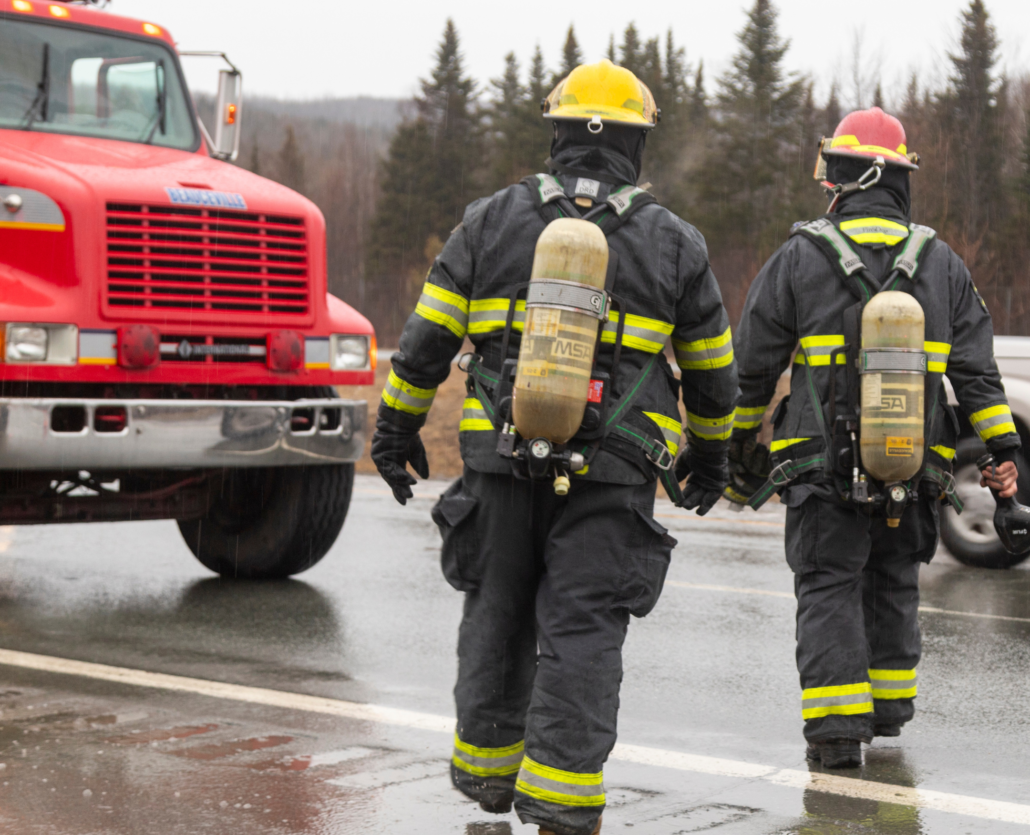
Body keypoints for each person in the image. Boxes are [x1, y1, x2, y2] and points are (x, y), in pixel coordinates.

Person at [371, 59, 738, 835]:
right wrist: (710, 460)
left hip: (497, 463)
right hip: (614, 470)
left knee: (497, 614)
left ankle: (488, 779)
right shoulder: (674, 243)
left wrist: (396, 430)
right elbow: (713, 376)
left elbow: (426, 341)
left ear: (557, 135)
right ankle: (563, 805)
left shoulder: (490, 221)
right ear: (636, 145)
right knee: (582, 628)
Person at [730, 107, 1020, 768]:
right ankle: (886, 712)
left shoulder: (800, 256)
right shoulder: (942, 263)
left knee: (829, 583)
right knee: (893, 577)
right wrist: (1004, 453)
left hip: (819, 465)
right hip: (915, 463)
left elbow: (751, 368)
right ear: (899, 178)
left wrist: (739, 445)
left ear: (849, 175)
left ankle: (837, 734)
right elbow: (977, 373)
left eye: (832, 172)